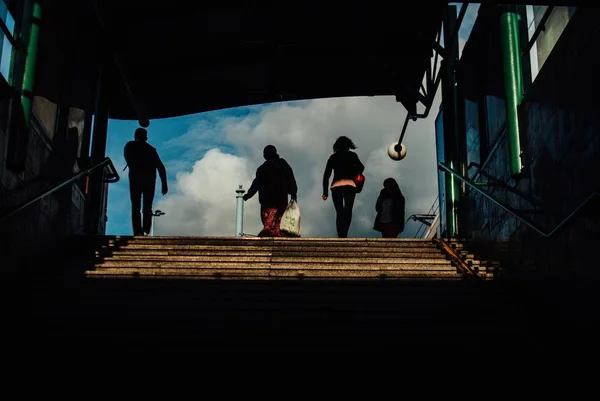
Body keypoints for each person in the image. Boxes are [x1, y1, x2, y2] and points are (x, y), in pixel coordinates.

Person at [243, 145, 298, 237]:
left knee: (273, 218)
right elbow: (290, 177)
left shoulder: (268, 167)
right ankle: (276, 233)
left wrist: (248, 194)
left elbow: (256, 183)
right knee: (275, 218)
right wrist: (293, 192)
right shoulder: (265, 168)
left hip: (272, 200)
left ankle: (272, 232)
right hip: (273, 199)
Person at [123, 127, 168, 236]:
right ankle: (146, 230)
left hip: (135, 179)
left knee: (135, 205)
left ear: (135, 136)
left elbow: (128, 159)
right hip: (150, 180)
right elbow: (161, 167)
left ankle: (137, 231)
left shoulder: (129, 146)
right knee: (147, 206)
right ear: (146, 137)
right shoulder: (151, 149)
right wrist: (164, 184)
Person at [322, 136, 365, 238]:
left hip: (336, 185)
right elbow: (361, 167)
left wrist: (325, 192)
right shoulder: (353, 156)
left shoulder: (333, 157)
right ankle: (345, 233)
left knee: (339, 212)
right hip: (350, 185)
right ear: (349, 145)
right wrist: (355, 172)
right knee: (348, 210)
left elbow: (326, 175)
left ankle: (341, 235)